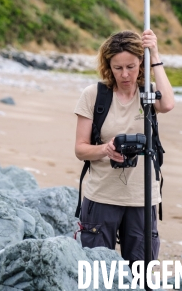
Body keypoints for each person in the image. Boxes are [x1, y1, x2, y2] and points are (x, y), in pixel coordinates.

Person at [73, 29, 174, 264]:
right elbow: (80, 149)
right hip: (102, 197)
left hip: (142, 197)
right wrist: (105, 150)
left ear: (141, 62)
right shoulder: (94, 96)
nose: (125, 74)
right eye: (118, 68)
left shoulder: (148, 94)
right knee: (97, 274)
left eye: (131, 66)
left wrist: (155, 54)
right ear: (109, 66)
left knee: (142, 275)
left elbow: (168, 104)